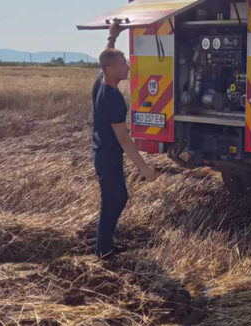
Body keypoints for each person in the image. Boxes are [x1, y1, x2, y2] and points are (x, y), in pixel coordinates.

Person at [92, 21, 159, 259]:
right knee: (114, 199)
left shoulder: (100, 81)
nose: (128, 66)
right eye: (123, 64)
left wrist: (112, 36)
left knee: (115, 198)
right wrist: (144, 168)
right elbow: (124, 139)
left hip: (101, 152)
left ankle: (104, 245)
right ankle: (103, 250)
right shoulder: (113, 98)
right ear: (111, 69)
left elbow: (105, 57)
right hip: (108, 155)